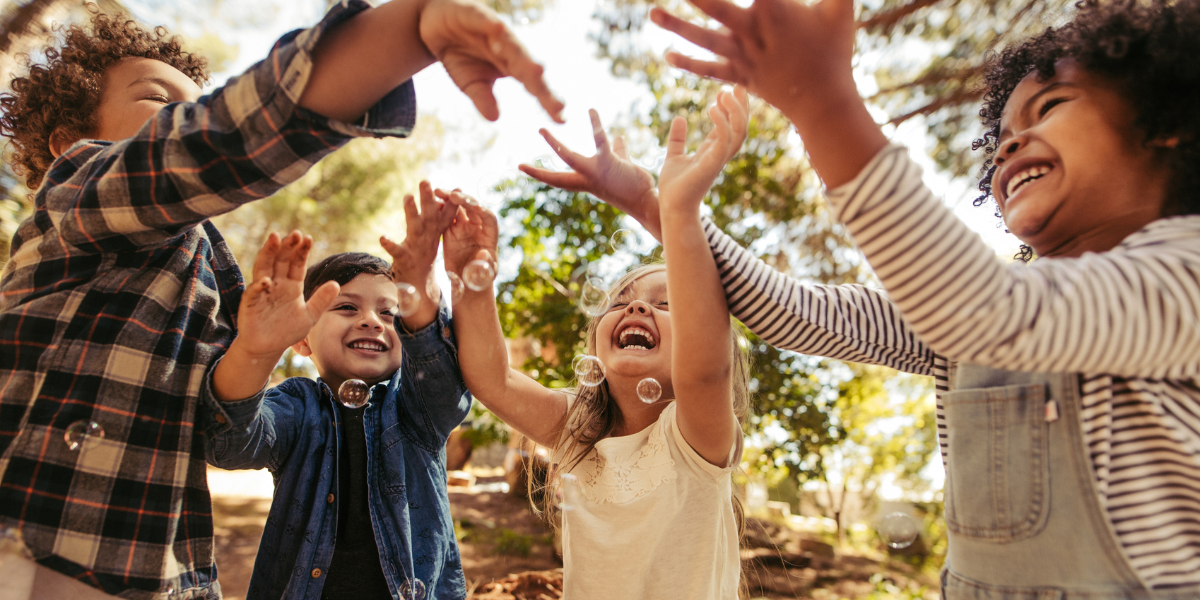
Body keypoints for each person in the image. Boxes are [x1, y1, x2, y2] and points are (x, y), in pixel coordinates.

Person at [523, 0, 1200, 596]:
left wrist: (823, 105)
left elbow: (990, 309)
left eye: (1050, 107)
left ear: (1164, 123)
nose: (1010, 144)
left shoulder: (1185, 273)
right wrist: (663, 208)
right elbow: (795, 311)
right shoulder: (964, 310)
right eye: (999, 140)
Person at [0, 0, 562, 597]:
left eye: (195, 104)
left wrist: (262, 345)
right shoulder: (76, 195)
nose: (187, 117)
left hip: (149, 568)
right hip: (36, 542)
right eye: (163, 102)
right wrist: (404, 32)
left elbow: (220, 415)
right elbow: (209, 147)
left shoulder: (210, 266)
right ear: (69, 142)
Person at [442, 87, 752, 600]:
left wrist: (668, 209)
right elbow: (492, 380)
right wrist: (473, 278)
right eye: (622, 300)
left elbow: (705, 367)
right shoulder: (577, 431)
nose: (636, 307)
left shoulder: (697, 436)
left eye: (667, 303)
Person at [204, 181, 470, 600]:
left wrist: (419, 293)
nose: (372, 321)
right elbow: (232, 442)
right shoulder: (295, 406)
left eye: (390, 312)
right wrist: (256, 350)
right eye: (347, 307)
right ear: (301, 338)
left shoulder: (415, 408)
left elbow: (445, 386)